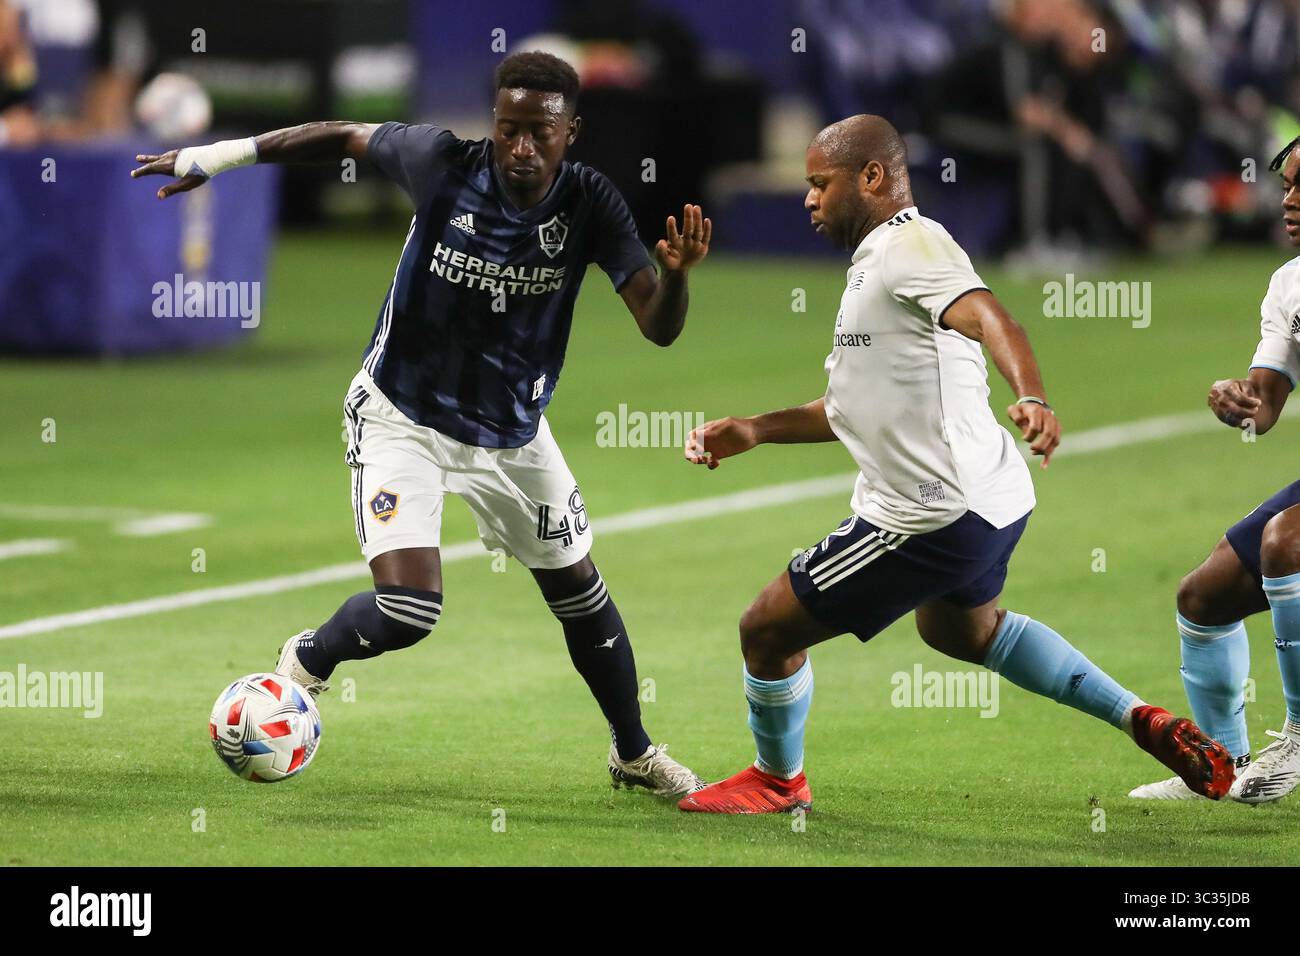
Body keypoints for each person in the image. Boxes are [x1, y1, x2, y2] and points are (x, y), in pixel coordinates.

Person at [130, 51, 711, 798]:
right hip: (403, 415)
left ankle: (633, 754)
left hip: (513, 431)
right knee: (408, 610)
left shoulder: (591, 204)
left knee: (579, 591)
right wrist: (218, 156)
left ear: (572, 131)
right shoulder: (439, 161)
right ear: (493, 125)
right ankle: (310, 655)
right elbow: (340, 135)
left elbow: (657, 328)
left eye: (540, 131)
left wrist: (680, 279)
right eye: (508, 129)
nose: (522, 147)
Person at [677, 114, 1234, 814]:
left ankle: (778, 780)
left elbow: (994, 318)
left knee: (766, 629)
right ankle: (1140, 717)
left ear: (871, 177)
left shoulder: (912, 245)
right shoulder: (880, 265)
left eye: (820, 184)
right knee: (960, 629)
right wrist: (757, 429)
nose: (809, 200)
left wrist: (1031, 394)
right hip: (992, 499)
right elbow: (853, 405)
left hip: (928, 514)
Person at [1129, 135, 1300, 803]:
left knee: (1288, 542)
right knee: (1204, 597)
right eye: (1285, 184)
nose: (1287, 200)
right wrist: (1237, 399)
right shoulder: (1290, 284)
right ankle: (1220, 767)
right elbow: (1267, 403)